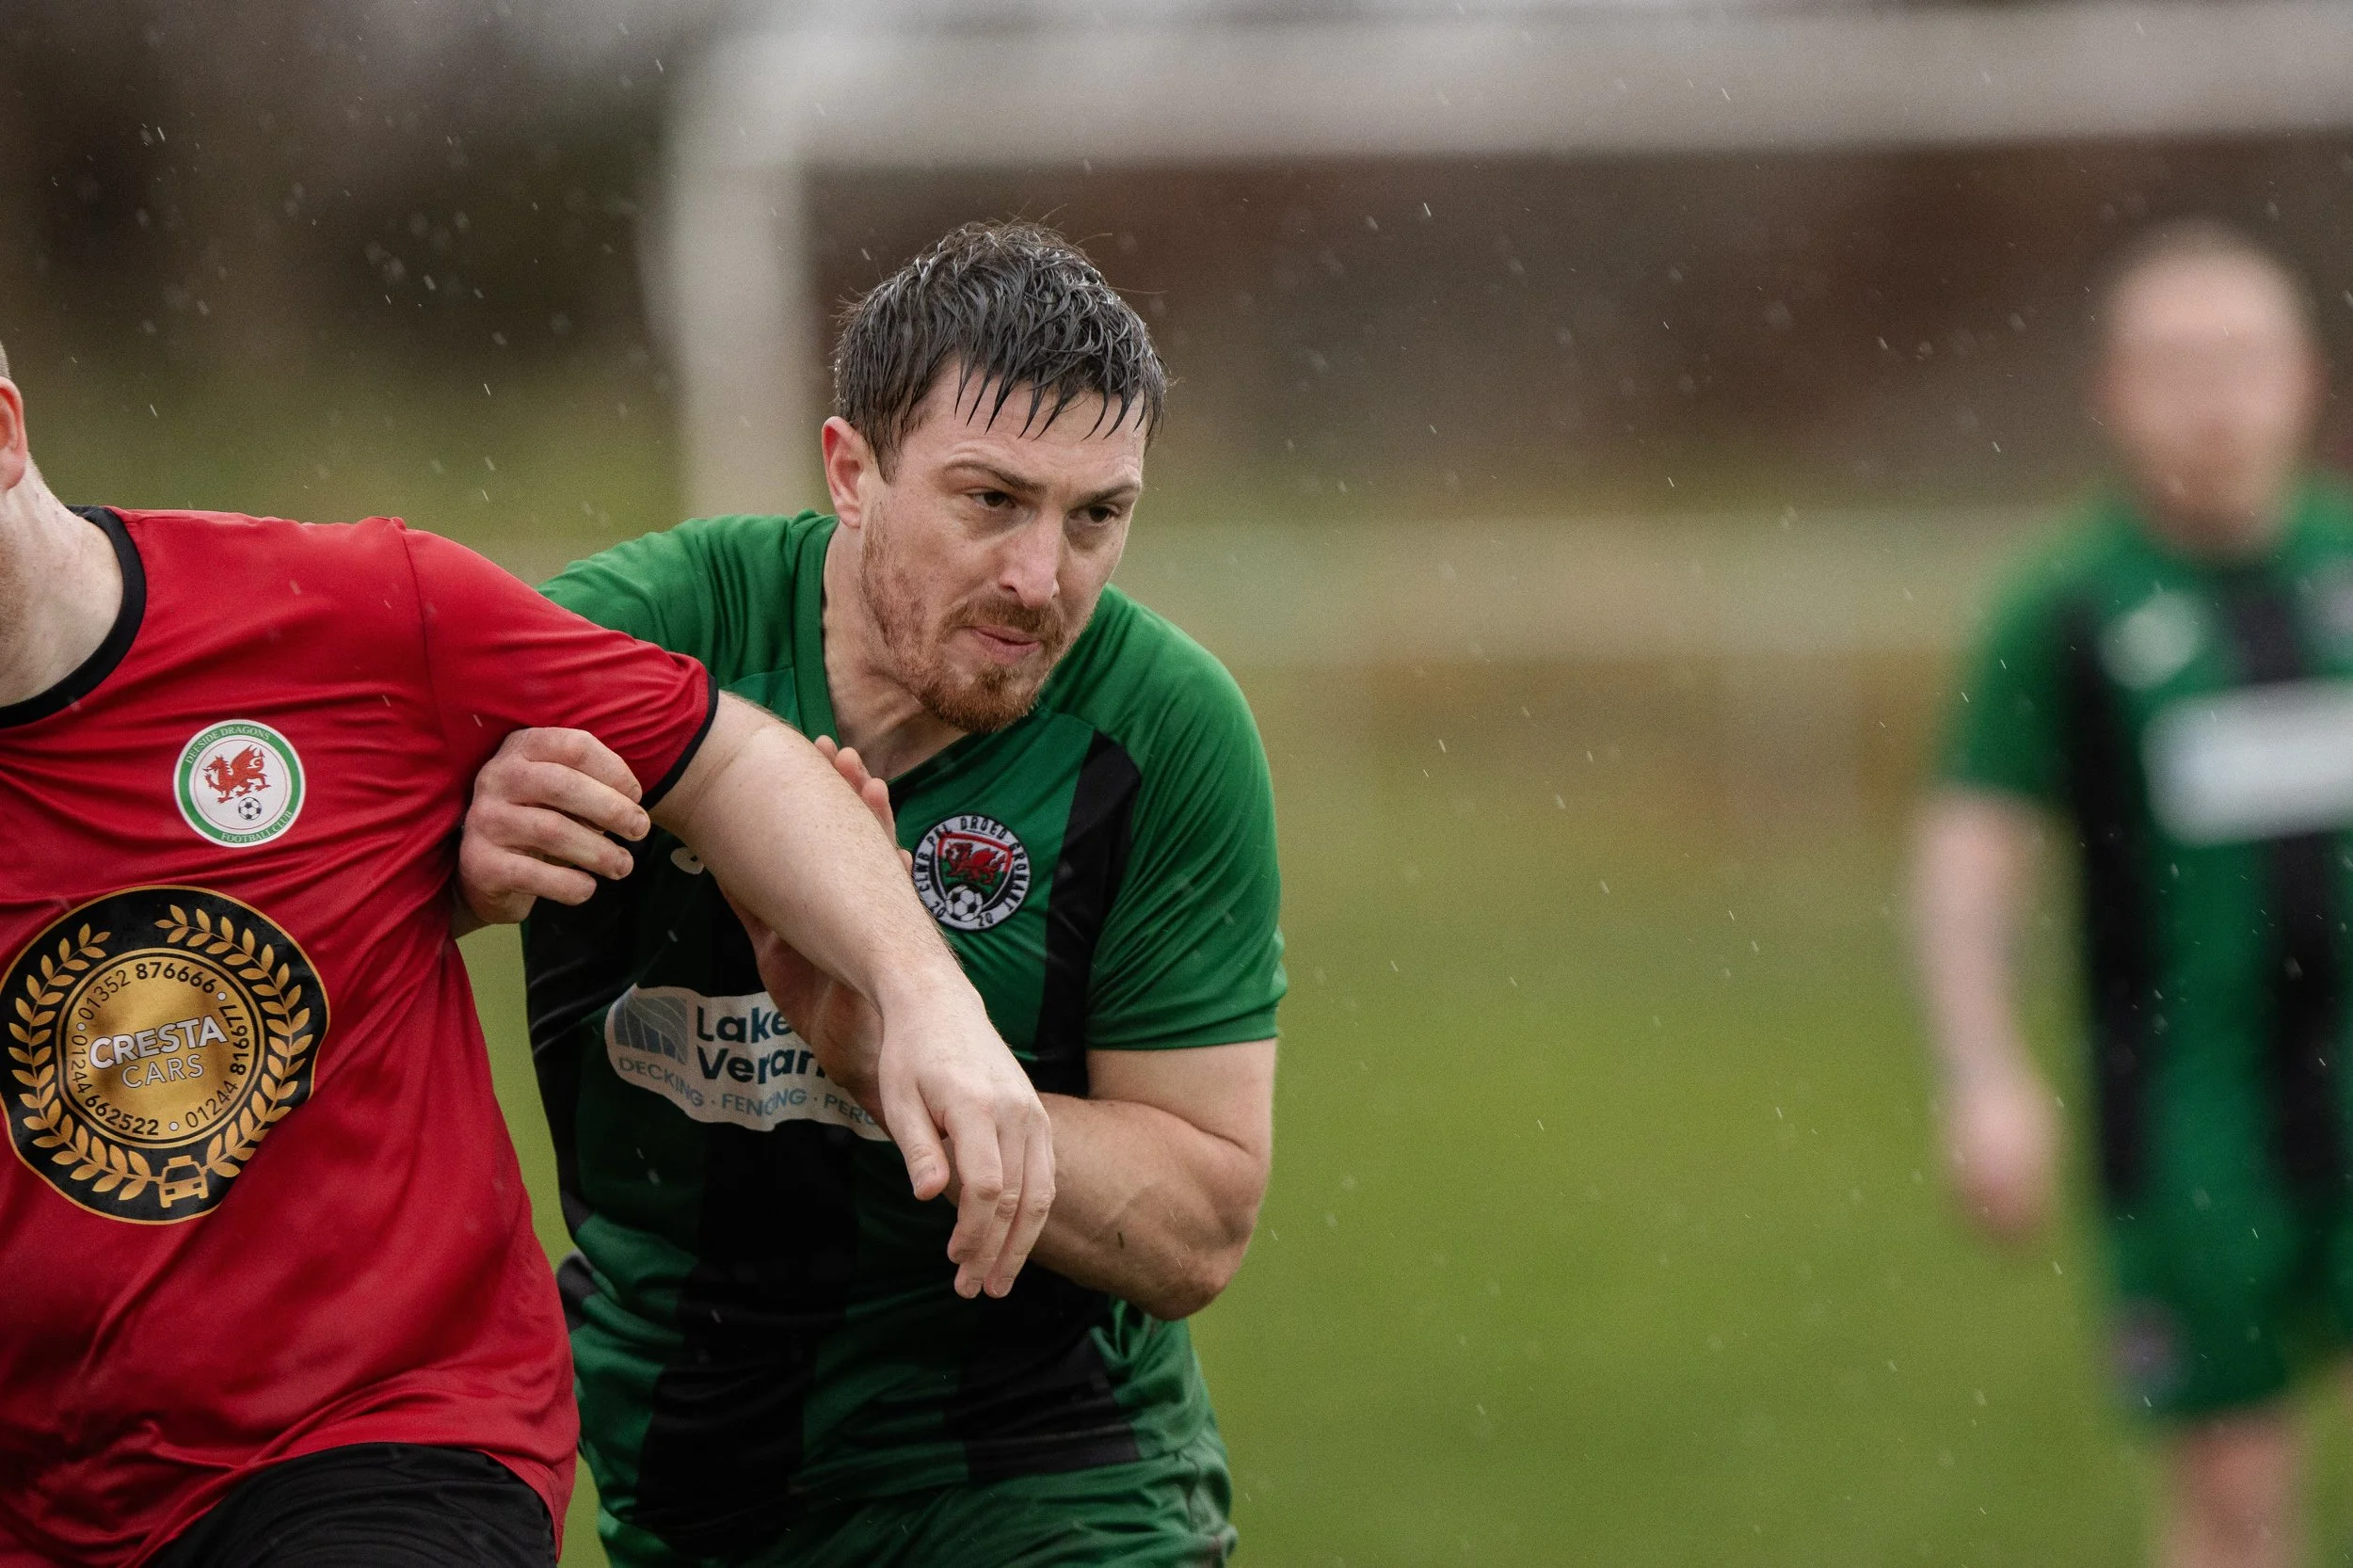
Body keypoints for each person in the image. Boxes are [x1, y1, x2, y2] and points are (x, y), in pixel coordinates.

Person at [0, 334, 1052, 1568]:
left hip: (370, 1443)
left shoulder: (344, 612)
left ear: (6, 429)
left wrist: (927, 998)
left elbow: (728, 758)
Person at [458, 220, 1286, 1566]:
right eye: (991, 500)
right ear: (850, 469)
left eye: (1098, 517)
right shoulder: (639, 636)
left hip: (1050, 1486)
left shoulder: (1167, 731)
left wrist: (873, 1054)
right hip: (690, 1481)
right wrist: (466, 839)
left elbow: (1198, 1220)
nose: (1041, 577)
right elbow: (307, 830)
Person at [1914, 218, 2353, 1568]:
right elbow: (1970, 851)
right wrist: (1983, 1070)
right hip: (2187, 1112)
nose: (2213, 397)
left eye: (2241, 359)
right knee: (2234, 1497)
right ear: (2114, 393)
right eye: (2175, 364)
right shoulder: (2069, 611)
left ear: (2306, 379)